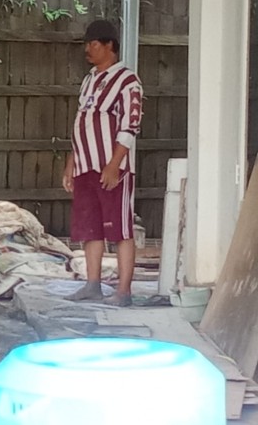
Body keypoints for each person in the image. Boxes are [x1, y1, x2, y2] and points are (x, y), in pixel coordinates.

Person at [62, 20, 143, 307]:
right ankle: (92, 284)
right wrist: (71, 162)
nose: (88, 49)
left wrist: (114, 164)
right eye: (87, 44)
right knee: (89, 228)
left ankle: (123, 291)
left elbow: (130, 126)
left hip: (111, 167)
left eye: (93, 44)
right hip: (85, 165)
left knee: (120, 229)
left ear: (109, 45)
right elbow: (81, 123)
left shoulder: (127, 81)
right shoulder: (89, 80)